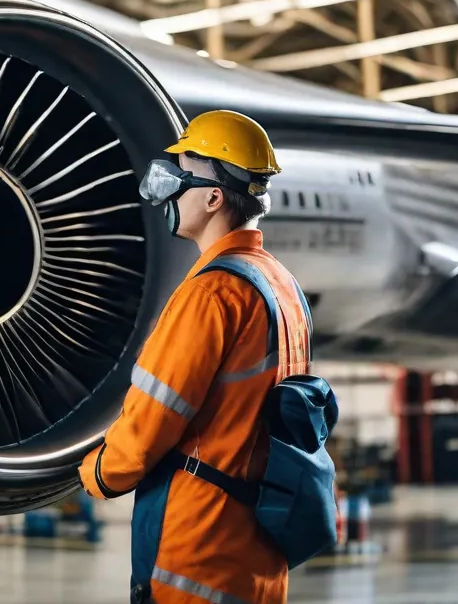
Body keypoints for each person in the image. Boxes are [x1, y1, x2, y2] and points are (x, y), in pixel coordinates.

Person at [79, 110, 312, 604]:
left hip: (200, 550)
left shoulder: (211, 294)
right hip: (261, 545)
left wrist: (96, 472)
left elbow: (152, 421)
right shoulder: (281, 286)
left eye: (179, 179)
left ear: (211, 198)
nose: (169, 194)